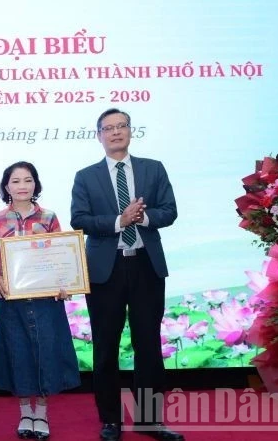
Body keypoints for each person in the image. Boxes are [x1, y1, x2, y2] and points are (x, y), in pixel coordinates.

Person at [70, 108, 182, 441]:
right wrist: (120, 220)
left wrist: (141, 218)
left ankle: (150, 420)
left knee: (148, 344)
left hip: (146, 265)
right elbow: (80, 219)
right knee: (106, 347)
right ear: (99, 135)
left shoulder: (153, 169)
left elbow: (169, 211)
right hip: (107, 269)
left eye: (122, 126)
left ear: (131, 131)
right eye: (109, 128)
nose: (116, 132)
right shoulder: (85, 176)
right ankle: (110, 421)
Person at [0, 161, 80, 440]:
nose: (22, 186)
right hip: (12, 300)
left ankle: (41, 412)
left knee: (46, 353)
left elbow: (62, 255)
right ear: (7, 187)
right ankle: (24, 412)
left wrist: (65, 282)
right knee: (18, 354)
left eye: (28, 181)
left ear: (35, 185)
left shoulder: (49, 217)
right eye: (15, 181)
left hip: (44, 299)